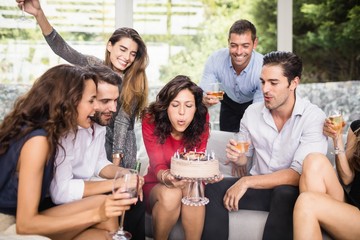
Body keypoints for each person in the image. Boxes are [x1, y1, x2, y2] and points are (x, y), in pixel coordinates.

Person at [201, 51, 328, 240]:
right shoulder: (251, 113)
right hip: (258, 186)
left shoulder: (313, 117)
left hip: (287, 191)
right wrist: (239, 158)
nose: (265, 89)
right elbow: (245, 160)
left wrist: (246, 182)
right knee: (212, 188)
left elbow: (298, 175)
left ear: (294, 83)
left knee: (284, 193)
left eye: (273, 83)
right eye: (262, 82)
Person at [0, 64, 136, 240]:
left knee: (104, 228)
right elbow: (26, 224)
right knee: (103, 213)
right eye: (91, 100)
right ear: (70, 101)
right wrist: (96, 214)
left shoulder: (52, 132)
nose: (96, 108)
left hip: (22, 217)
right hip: (9, 222)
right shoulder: (38, 141)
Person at [16, 0, 149, 169]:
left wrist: (116, 159)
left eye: (132, 53)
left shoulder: (134, 82)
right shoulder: (94, 66)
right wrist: (39, 14)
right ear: (110, 45)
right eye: (122, 49)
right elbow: (62, 49)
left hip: (121, 146)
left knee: (117, 188)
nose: (127, 57)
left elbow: (122, 123)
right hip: (96, 137)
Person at [49, 64, 145, 240]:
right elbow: (60, 191)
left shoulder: (98, 125)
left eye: (116, 100)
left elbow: (99, 163)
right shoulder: (67, 130)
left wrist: (126, 174)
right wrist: (118, 183)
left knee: (134, 202)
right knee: (115, 203)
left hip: (85, 191)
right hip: (64, 198)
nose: (114, 109)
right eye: (105, 101)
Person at [141, 75, 215, 240]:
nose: (182, 113)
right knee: (171, 194)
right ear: (166, 107)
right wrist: (170, 178)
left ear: (196, 108)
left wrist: (208, 173)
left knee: (194, 190)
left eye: (189, 106)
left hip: (189, 183)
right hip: (157, 183)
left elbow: (198, 159)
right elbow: (158, 164)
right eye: (175, 105)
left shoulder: (202, 119)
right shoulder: (150, 119)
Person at [293, 119, 360, 239]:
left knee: (307, 202)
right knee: (313, 160)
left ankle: (311, 217)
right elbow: (347, 178)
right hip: (352, 209)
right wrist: (337, 139)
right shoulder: (357, 127)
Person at [199, 19, 264, 132]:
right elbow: (203, 92)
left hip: (253, 103)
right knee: (226, 142)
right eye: (234, 45)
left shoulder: (263, 67)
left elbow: (258, 109)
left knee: (252, 139)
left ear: (255, 43)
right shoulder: (216, 59)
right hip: (228, 103)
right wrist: (203, 100)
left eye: (245, 46)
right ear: (228, 42)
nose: (239, 52)